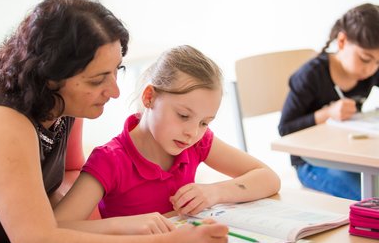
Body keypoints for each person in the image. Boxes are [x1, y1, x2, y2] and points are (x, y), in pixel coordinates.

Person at [0, 0, 229, 243]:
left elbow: (58, 183)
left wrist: (119, 225)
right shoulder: (1, 119)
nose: (114, 91)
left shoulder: (60, 103)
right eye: (98, 80)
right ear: (52, 75)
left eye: (115, 71)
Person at [54, 45, 281, 221]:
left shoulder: (196, 143)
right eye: (183, 115)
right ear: (149, 97)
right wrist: (128, 227)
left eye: (204, 122)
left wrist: (214, 193)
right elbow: (59, 228)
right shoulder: (110, 160)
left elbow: (268, 178)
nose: (192, 132)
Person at [278, 3, 379, 201]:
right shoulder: (311, 75)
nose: (371, 69)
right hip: (312, 163)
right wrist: (327, 114)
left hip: (351, 156)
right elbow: (285, 129)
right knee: (372, 197)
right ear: (342, 41)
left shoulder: (370, 70)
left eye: (378, 62)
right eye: (366, 58)